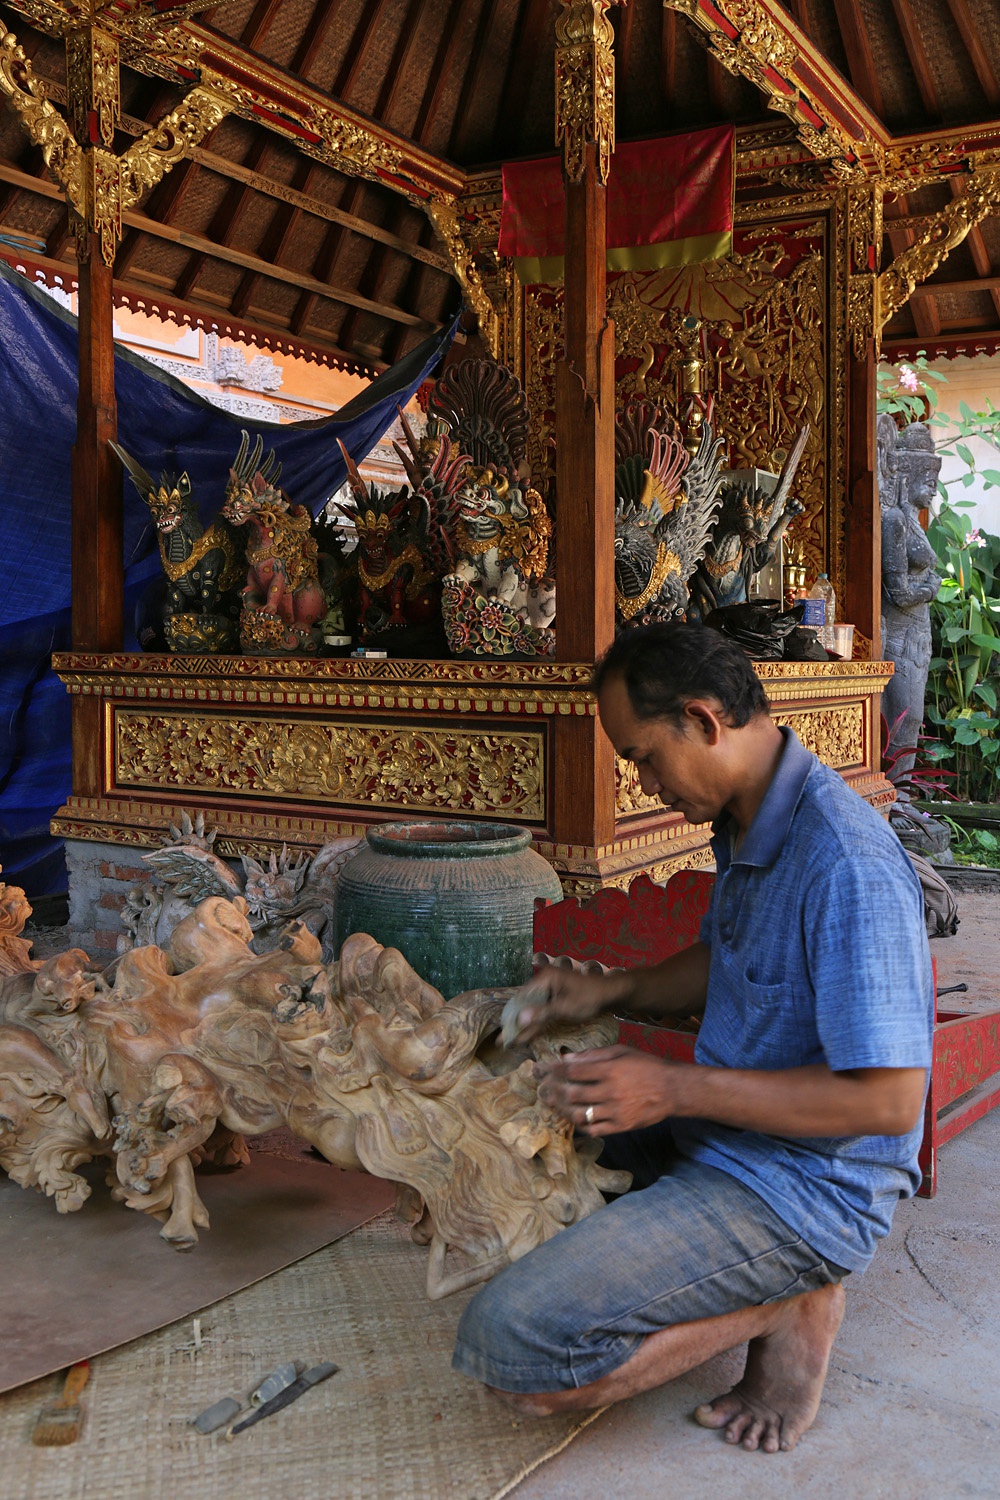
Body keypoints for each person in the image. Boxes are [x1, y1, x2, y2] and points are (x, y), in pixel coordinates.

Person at [452, 621, 932, 1454]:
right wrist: (608, 989)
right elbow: (726, 957)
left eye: (643, 758)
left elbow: (890, 1104)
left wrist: (670, 1087)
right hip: (721, 1131)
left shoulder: (846, 862)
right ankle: (741, 1270)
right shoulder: (746, 818)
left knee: (516, 1348)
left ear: (704, 720)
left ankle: (792, 1300)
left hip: (808, 1185)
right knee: (502, 1156)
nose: (644, 784)